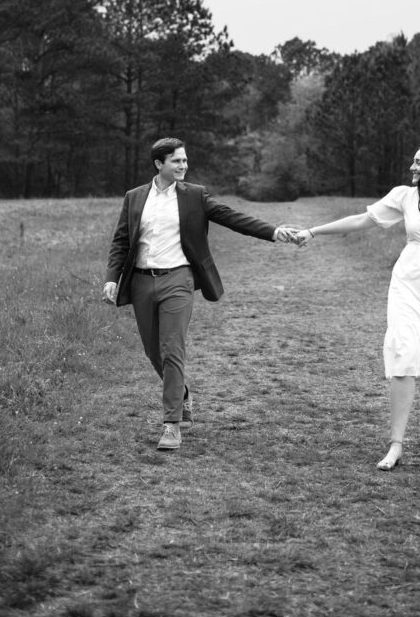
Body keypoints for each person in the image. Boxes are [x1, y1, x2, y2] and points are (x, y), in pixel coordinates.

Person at [296, 144, 420, 471]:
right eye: (413, 161)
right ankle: (396, 444)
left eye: (418, 162)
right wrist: (314, 232)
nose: (412, 168)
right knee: (403, 348)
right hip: (408, 283)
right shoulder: (404, 196)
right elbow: (362, 220)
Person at [103, 137, 298, 451]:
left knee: (171, 350)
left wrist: (273, 232)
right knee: (153, 352)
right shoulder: (135, 197)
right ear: (158, 164)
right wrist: (112, 279)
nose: (183, 166)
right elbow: (121, 242)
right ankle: (181, 395)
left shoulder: (194, 196)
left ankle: (171, 426)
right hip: (140, 282)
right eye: (176, 161)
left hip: (178, 280)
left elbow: (232, 217)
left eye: (184, 160)